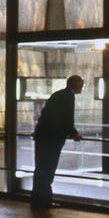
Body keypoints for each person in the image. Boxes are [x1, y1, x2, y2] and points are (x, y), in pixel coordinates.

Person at [31, 74, 83, 209]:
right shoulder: (68, 97)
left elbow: (46, 114)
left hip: (43, 137)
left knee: (41, 169)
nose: (82, 87)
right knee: (48, 169)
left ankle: (37, 201)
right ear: (75, 85)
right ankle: (45, 202)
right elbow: (66, 119)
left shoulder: (58, 95)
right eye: (81, 85)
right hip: (52, 140)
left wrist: (38, 131)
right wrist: (74, 133)